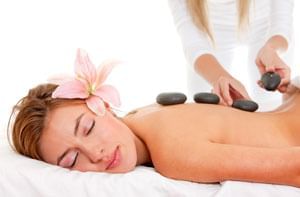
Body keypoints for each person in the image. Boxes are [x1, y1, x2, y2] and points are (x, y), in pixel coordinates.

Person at [8, 49, 300, 187]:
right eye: (71, 160)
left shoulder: (173, 153)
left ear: (104, 105)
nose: (94, 153)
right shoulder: (141, 116)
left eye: (88, 127)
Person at [168, 0, 297, 110]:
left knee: (270, 97)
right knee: (204, 97)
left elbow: (282, 21)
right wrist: (220, 77)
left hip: (265, 22)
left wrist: (272, 48)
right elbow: (193, 43)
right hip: (210, 26)